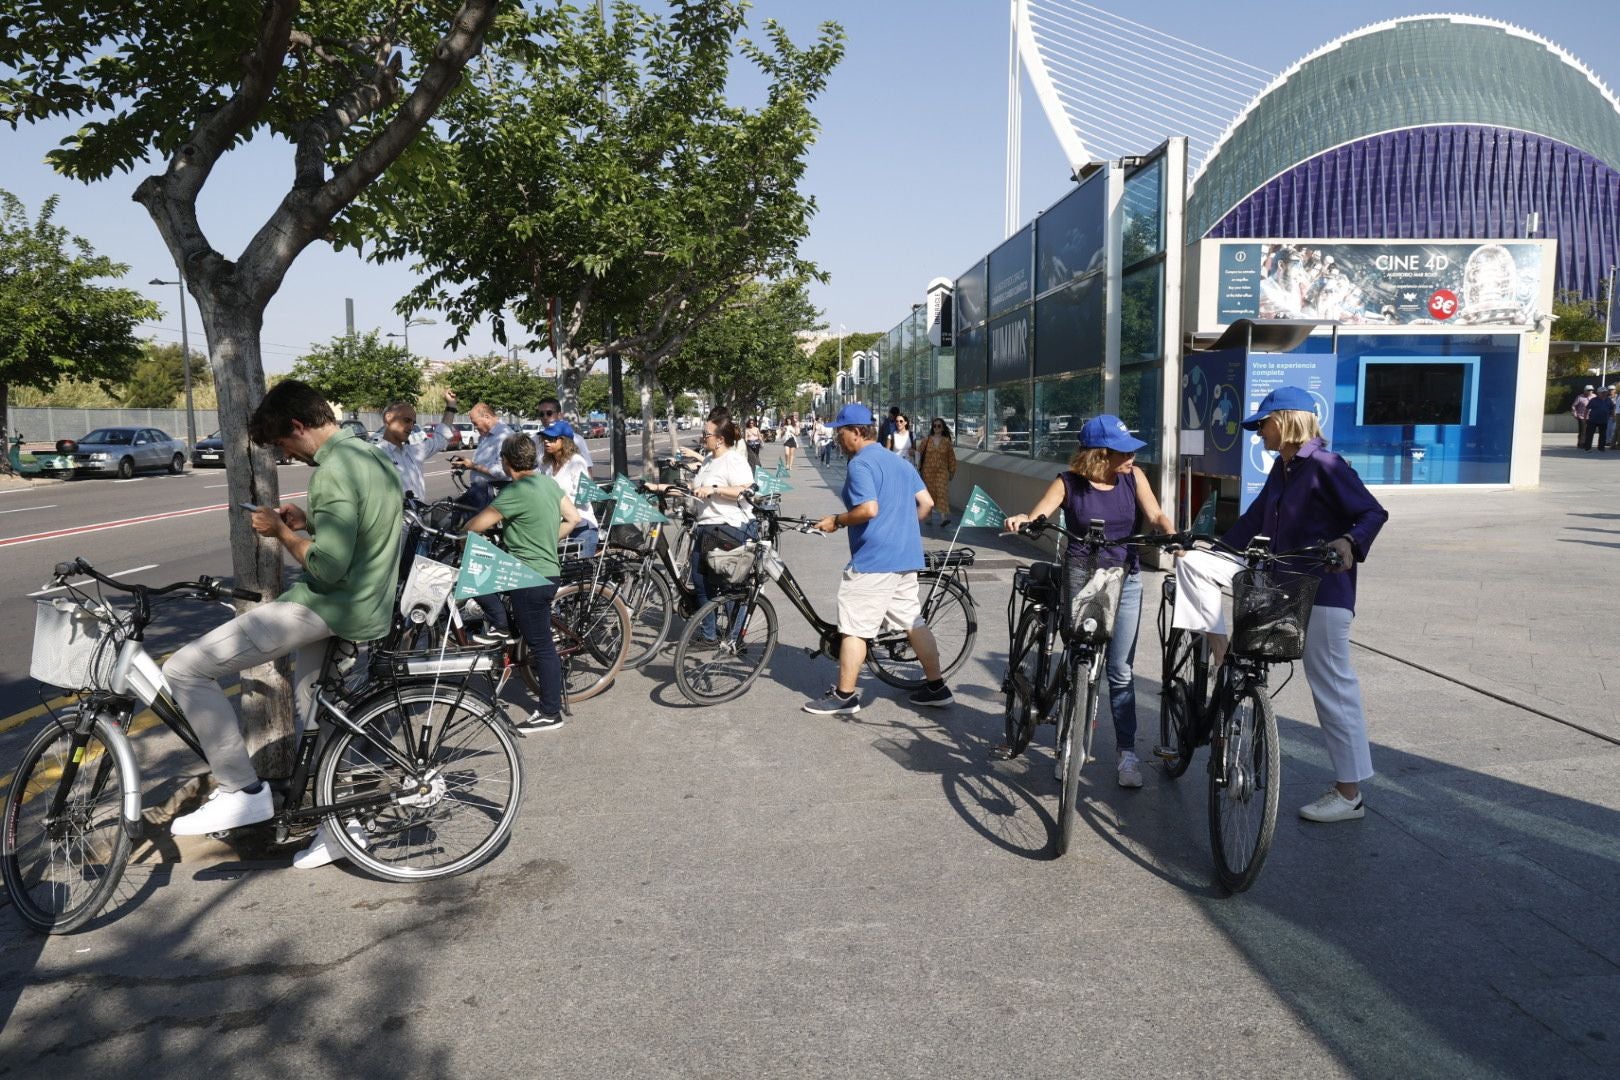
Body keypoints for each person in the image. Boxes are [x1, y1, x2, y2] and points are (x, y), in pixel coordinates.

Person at [163, 380, 404, 869]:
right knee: (320, 721)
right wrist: (310, 518)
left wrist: (283, 531)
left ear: (298, 426)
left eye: (283, 444)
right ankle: (344, 829)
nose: (286, 455)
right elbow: (367, 519)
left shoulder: (332, 470)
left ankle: (240, 788)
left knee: (185, 669)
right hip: (367, 609)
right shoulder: (370, 454)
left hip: (326, 607)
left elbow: (328, 567)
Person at [1171, 386, 1388, 822]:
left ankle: (1350, 795)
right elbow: (1251, 522)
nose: (1258, 434)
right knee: (1193, 565)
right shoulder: (1283, 469)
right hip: (1277, 583)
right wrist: (1207, 547)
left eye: (1262, 425)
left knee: (1330, 684)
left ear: (1286, 420)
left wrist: (1348, 541)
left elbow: (1372, 513)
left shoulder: (1326, 465)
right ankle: (1220, 649)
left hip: (1323, 589)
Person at [1003, 414, 1174, 788]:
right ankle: (1069, 742)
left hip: (1124, 580)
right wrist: (1025, 519)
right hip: (1081, 578)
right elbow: (1039, 513)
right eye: (1123, 451)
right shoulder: (1069, 484)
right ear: (1100, 454)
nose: (1131, 457)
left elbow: (1156, 513)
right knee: (1079, 656)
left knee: (1120, 671)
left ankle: (1126, 754)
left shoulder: (1133, 478)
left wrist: (1171, 533)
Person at [803, 402, 953, 716]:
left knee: (855, 628)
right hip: (905, 556)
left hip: (875, 560)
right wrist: (902, 526)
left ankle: (844, 695)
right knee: (913, 621)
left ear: (857, 432)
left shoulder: (861, 464)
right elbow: (925, 504)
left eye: (840, 432)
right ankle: (936, 687)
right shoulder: (899, 462)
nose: (837, 439)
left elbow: (868, 509)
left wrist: (837, 520)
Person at [463, 434, 582, 733]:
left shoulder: (515, 492)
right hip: (547, 571)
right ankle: (504, 628)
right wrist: (545, 539)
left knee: (542, 645)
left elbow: (475, 526)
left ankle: (549, 713)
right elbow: (573, 517)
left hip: (528, 577)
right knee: (536, 636)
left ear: (507, 460)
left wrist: (460, 529)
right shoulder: (546, 484)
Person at [652, 411, 756, 641]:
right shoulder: (709, 459)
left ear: (720, 439)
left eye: (706, 434)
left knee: (725, 584)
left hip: (728, 527)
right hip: (707, 527)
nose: (703, 437)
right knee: (700, 581)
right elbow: (693, 487)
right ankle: (709, 633)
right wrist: (658, 487)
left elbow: (747, 491)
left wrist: (716, 489)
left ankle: (735, 634)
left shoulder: (734, 460)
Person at [378, 390, 458, 500]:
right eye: (406, 420)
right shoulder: (375, 455)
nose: (411, 427)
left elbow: (441, 437)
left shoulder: (414, 451)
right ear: (389, 417)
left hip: (417, 516)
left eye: (413, 423)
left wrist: (451, 405)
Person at [537, 419, 599, 557]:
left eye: (552, 438)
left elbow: (584, 497)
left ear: (564, 441)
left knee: (580, 576)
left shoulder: (576, 462)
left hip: (581, 528)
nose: (546, 441)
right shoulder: (546, 464)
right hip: (557, 527)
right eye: (545, 438)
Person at [449, 402, 513, 509]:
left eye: (475, 423)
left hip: (494, 495)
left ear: (487, 417)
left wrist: (473, 466)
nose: (475, 428)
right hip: (482, 493)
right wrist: (466, 464)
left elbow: (504, 472)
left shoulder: (505, 436)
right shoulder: (485, 435)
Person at [916, 418, 957, 529]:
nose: (936, 428)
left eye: (939, 426)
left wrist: (952, 471)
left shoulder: (946, 442)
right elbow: (919, 452)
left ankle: (943, 518)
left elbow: (951, 457)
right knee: (930, 493)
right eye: (935, 426)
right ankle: (929, 516)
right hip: (928, 471)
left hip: (942, 471)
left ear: (942, 427)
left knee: (942, 492)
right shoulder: (927, 440)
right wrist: (917, 465)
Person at [536, 394, 593, 468]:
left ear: (560, 415)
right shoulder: (535, 439)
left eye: (549, 413)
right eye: (541, 414)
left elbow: (588, 470)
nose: (545, 417)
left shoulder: (577, 439)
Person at [1583, 387, 1614, 452]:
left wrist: (1613, 416)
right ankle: (1587, 448)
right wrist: (1585, 418)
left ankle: (1601, 448)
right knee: (1590, 434)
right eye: (1602, 392)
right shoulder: (1593, 400)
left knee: (1603, 435)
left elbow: (1612, 408)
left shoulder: (1609, 400)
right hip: (1592, 420)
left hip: (1604, 420)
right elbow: (1587, 409)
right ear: (1598, 393)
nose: (1604, 393)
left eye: (1605, 392)